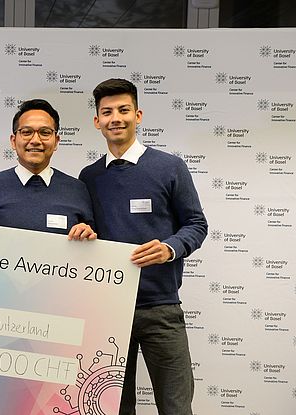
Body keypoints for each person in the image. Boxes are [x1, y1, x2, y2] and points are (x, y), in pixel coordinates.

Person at [78, 78, 208, 415]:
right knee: (113, 408)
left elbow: (196, 224)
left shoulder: (169, 167)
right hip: (108, 311)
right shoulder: (88, 177)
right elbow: (89, 232)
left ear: (138, 115)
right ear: (97, 121)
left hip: (161, 309)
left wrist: (170, 248)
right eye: (107, 112)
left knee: (176, 407)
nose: (116, 118)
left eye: (123, 110)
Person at [0, 98, 95, 241]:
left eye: (45, 133)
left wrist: (88, 236)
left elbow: (95, 247)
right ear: (13, 141)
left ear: (56, 141)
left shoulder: (77, 190)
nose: (35, 140)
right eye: (27, 132)